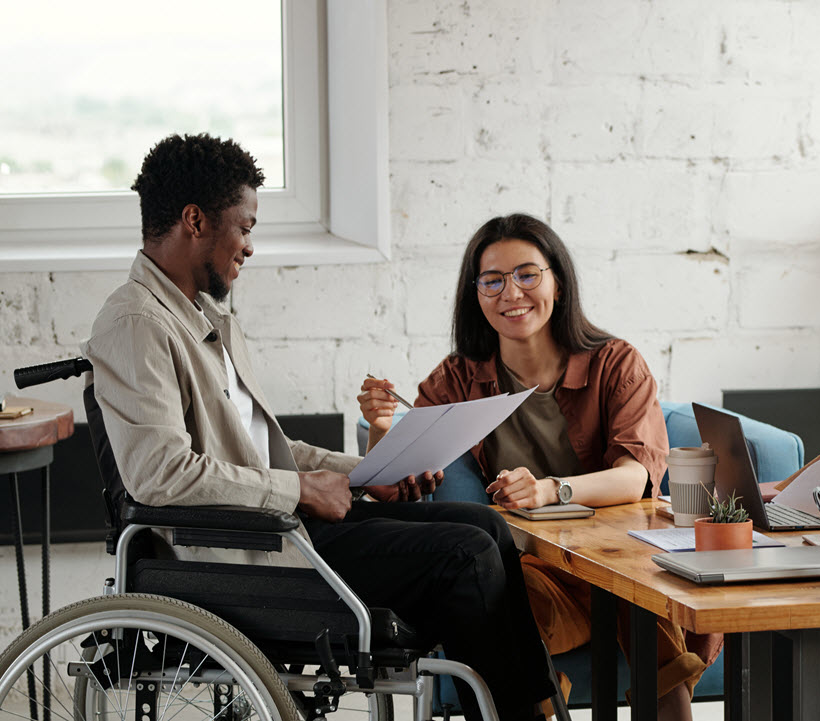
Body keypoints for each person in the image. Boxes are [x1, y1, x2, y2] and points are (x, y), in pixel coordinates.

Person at [84, 133, 555, 721]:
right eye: (245, 227)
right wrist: (304, 490)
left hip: (281, 525)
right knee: (463, 556)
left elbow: (262, 450)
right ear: (195, 220)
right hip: (240, 555)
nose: (250, 247)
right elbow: (159, 474)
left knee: (484, 524)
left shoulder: (204, 318)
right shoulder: (135, 323)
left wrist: (365, 473)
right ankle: (515, 714)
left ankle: (532, 707)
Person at [359, 214, 705, 721]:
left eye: (527, 274)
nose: (511, 293)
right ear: (475, 294)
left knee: (644, 597)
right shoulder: (457, 378)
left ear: (557, 282)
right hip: (536, 572)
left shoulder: (616, 363)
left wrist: (549, 490)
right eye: (492, 281)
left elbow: (635, 477)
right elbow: (394, 489)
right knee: (508, 613)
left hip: (619, 560)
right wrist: (382, 428)